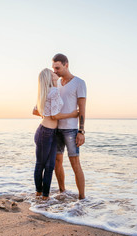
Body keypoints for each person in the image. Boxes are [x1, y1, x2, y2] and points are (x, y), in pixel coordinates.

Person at [32, 68, 78, 200]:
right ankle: (40, 194)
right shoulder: (54, 91)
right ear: (49, 77)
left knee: (50, 165)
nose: (55, 72)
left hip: (50, 132)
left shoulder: (46, 92)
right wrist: (74, 114)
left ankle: (45, 195)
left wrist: (45, 114)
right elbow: (55, 115)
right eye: (52, 72)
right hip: (45, 132)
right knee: (42, 164)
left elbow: (36, 111)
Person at [51, 53, 87, 200]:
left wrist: (81, 130)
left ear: (66, 65)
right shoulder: (57, 83)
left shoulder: (79, 82)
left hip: (71, 130)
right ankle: (62, 192)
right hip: (56, 129)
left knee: (75, 163)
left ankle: (82, 198)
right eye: (53, 68)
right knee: (57, 162)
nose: (55, 71)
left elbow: (82, 108)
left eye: (58, 68)